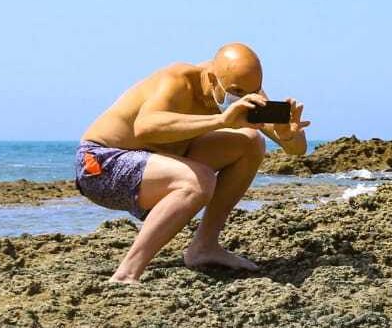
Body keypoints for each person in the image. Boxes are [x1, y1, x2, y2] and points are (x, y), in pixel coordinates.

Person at [76, 43, 311, 284]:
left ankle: (204, 247)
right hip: (100, 164)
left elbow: (298, 150)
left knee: (251, 142)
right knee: (199, 181)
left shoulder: (246, 93)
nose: (243, 99)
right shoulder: (178, 79)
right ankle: (126, 273)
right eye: (236, 91)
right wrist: (221, 120)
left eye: (252, 91)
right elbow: (145, 127)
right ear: (211, 79)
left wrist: (287, 135)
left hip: (157, 167)